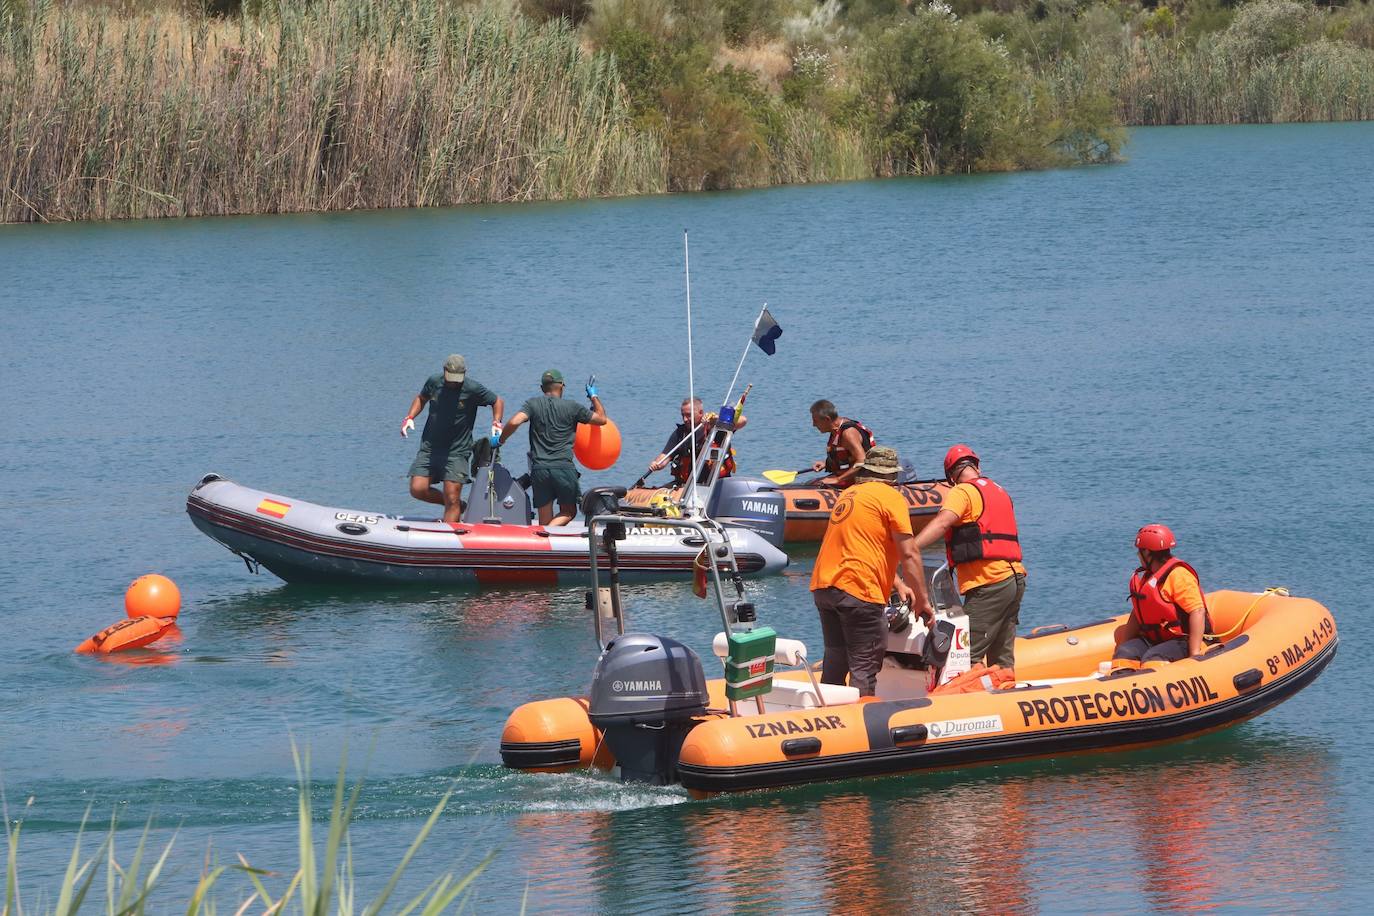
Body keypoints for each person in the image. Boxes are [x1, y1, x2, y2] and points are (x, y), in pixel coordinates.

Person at [810, 446, 932, 697]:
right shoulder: (890, 497)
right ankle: (863, 727)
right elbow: (909, 553)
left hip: (825, 587)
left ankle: (828, 723)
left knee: (836, 660)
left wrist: (897, 583)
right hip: (859, 592)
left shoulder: (850, 494)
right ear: (892, 477)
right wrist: (922, 601)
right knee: (864, 665)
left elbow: (860, 546)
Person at [911, 445, 1026, 669]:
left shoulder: (962, 492)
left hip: (988, 582)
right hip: (1015, 580)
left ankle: (965, 699)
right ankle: (1002, 693)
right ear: (977, 466)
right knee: (1001, 656)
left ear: (951, 477)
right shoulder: (1000, 491)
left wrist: (911, 548)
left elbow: (943, 522)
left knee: (963, 654)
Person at [400, 354, 503, 524]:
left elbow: (497, 401)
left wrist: (497, 421)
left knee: (452, 496)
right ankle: (460, 506)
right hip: (431, 447)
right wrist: (409, 417)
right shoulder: (434, 382)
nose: (454, 382)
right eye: (451, 378)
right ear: (444, 371)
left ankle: (449, 533)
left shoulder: (472, 388)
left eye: (458, 378)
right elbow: (421, 398)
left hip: (457, 450)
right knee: (417, 489)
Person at [499, 369, 606, 526]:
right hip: (563, 468)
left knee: (544, 519)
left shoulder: (532, 404)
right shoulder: (573, 407)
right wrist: (593, 396)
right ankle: (546, 531)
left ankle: (543, 535)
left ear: (542, 388)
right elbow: (602, 419)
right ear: (562, 386)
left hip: (539, 470)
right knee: (569, 512)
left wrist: (501, 440)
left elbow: (515, 422)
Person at [1112, 524, 1210, 669]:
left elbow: (1198, 611)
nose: (1138, 555)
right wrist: (1124, 644)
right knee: (1124, 654)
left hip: (1183, 639)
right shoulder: (1147, 577)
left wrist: (1194, 654)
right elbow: (1138, 613)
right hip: (1156, 640)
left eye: (1139, 551)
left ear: (1147, 553)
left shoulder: (1178, 575)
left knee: (1154, 659)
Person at [648, 397, 746, 485]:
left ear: (700, 413)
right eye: (683, 415)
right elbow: (664, 457)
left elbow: (743, 421)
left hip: (715, 484)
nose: (685, 419)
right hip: (687, 486)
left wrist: (716, 418)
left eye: (689, 415)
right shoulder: (680, 433)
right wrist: (656, 464)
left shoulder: (716, 427)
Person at [809, 400, 877, 487]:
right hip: (847, 477)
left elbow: (862, 461)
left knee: (816, 484)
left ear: (827, 419)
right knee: (812, 483)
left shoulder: (848, 433)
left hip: (860, 479)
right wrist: (826, 464)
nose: (814, 425)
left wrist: (837, 480)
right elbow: (847, 456)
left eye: (815, 421)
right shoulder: (836, 429)